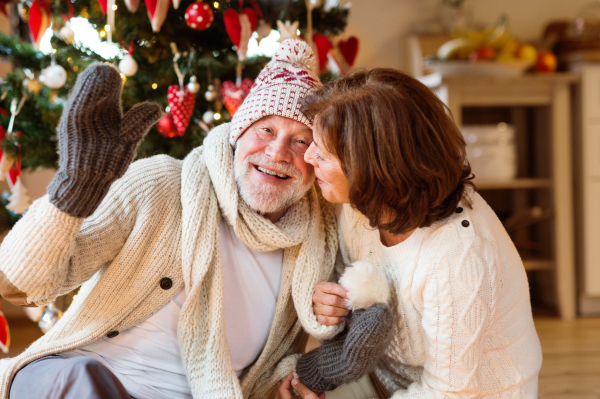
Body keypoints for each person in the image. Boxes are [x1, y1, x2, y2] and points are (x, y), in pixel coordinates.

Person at [0, 39, 340, 399]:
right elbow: (22, 284)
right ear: (239, 133)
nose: (277, 153)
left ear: (315, 159)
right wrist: (73, 191)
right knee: (82, 381)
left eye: (301, 142)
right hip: (76, 377)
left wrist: (291, 380)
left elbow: (276, 366)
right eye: (266, 130)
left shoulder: (313, 243)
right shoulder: (161, 185)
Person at [294, 68, 543, 398]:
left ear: (370, 170)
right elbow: (361, 308)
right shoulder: (358, 204)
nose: (308, 156)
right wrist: (331, 305)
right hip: (390, 378)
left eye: (323, 154)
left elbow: (450, 392)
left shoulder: (457, 257)